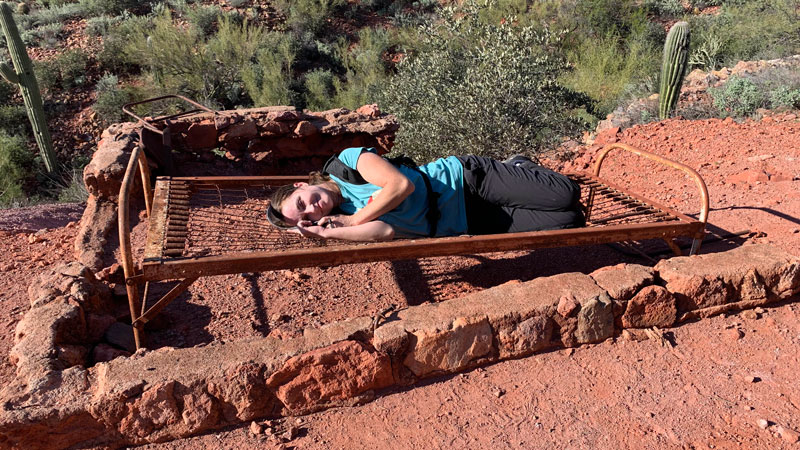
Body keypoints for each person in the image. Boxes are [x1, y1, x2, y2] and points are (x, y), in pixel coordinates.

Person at [267, 147, 585, 241]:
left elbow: (401, 186)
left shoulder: (347, 164)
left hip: (467, 180)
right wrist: (327, 233)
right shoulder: (341, 219)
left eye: (301, 202)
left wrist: (350, 223)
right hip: (466, 220)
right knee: (571, 221)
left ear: (301, 186)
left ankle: (518, 165)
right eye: (307, 217)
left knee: (566, 196)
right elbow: (386, 231)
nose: (312, 209)